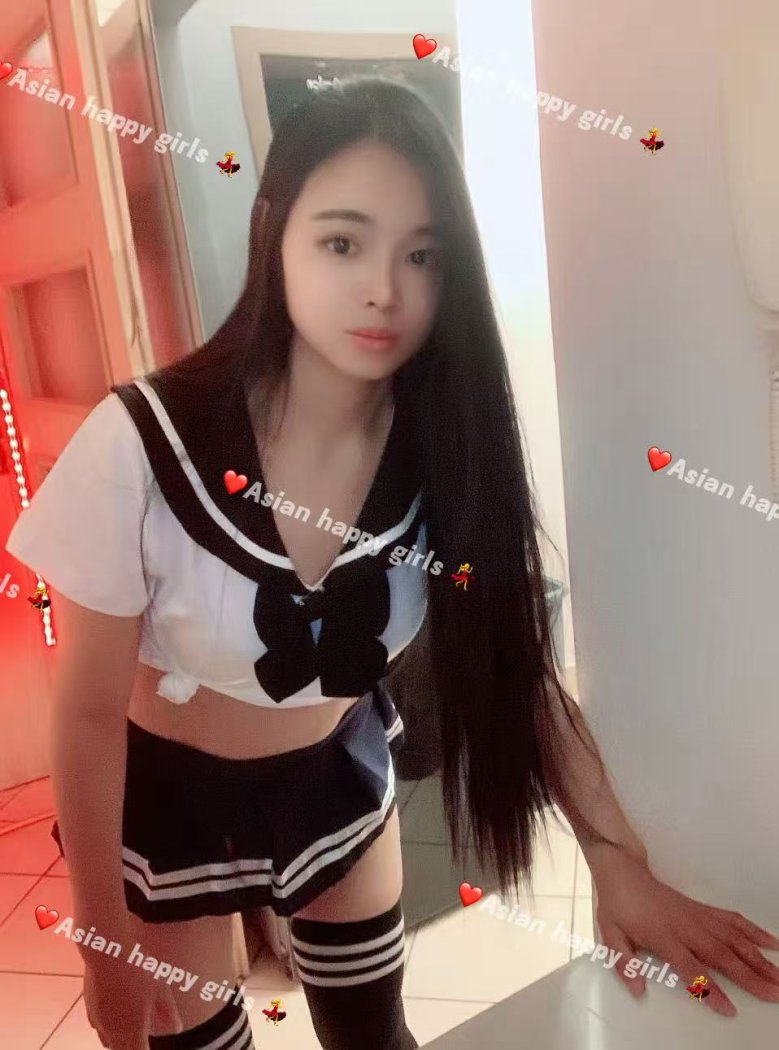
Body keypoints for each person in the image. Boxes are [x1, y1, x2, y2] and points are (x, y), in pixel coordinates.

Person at [6, 76, 779, 1050]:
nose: (384, 290)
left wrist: (614, 857)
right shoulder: (141, 443)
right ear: (273, 234)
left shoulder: (443, 444)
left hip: (329, 774)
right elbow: (85, 712)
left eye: (421, 254)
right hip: (167, 805)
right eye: (342, 243)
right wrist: (103, 939)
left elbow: (515, 667)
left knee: (374, 1035)